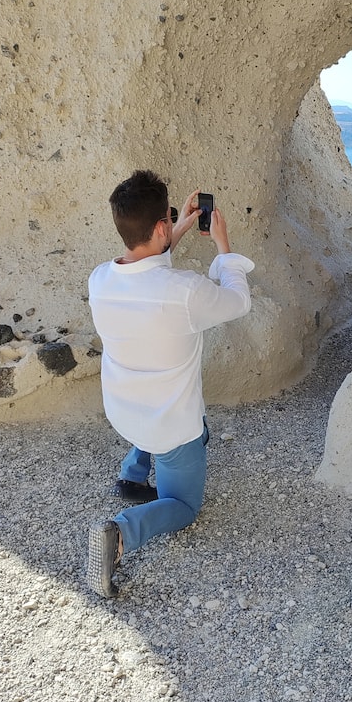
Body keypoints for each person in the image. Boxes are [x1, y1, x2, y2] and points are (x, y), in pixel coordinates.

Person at [86, 169, 253, 598]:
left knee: (153, 401)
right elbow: (238, 301)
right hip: (171, 429)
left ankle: (132, 474)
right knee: (184, 505)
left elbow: (146, 269)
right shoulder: (185, 291)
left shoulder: (100, 279)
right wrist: (224, 247)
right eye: (169, 217)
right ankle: (121, 533)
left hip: (124, 411)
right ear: (160, 226)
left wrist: (175, 228)